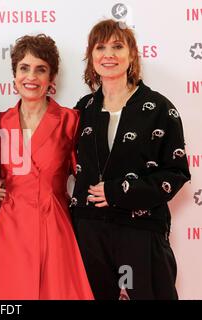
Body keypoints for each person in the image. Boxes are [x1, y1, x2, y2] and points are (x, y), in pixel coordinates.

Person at [70, 19, 190, 299]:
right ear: (91, 57)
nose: (108, 54)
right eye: (100, 47)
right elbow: (57, 158)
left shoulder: (159, 108)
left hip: (140, 231)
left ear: (132, 54)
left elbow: (176, 173)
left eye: (117, 46)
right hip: (89, 233)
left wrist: (117, 192)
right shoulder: (82, 110)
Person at [0, 34, 93, 300]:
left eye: (41, 69)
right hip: (9, 229)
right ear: (15, 75)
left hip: (55, 227)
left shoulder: (70, 121)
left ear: (51, 79)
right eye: (24, 68)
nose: (31, 76)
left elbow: (87, 175)